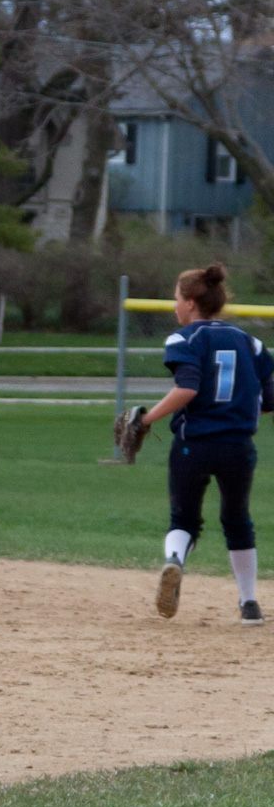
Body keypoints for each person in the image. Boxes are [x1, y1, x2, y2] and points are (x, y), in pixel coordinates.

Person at [139, 263, 274, 625]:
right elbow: (269, 399)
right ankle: (249, 605)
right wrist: (235, 410)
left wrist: (147, 419)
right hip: (238, 447)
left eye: (176, 298)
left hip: (193, 444)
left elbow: (188, 387)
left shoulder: (184, 339)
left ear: (191, 303)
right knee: (237, 519)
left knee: (183, 518)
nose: (174, 305)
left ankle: (175, 561)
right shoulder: (250, 342)